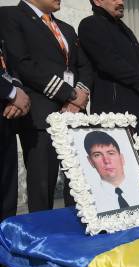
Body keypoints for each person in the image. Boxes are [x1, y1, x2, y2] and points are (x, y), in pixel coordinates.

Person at [1, 0, 92, 212]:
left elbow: (84, 66)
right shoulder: (11, 16)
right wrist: (68, 94)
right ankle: (42, 238)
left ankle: (77, 231)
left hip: (74, 112)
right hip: (41, 114)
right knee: (42, 185)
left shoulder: (66, 28)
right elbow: (21, 64)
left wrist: (79, 95)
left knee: (78, 183)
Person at [79, 0, 139, 137]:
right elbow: (110, 62)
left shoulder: (124, 29)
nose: (121, 2)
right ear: (97, 1)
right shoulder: (91, 24)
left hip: (138, 109)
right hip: (115, 112)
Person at [0, 45, 30, 267]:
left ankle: (2, 263)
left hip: (5, 119)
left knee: (6, 199)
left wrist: (17, 92)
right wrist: (10, 92)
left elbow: (8, 66)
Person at [84, 131, 139, 213]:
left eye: (111, 153)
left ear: (122, 158)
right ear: (90, 161)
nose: (106, 160)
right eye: (97, 155)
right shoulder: (91, 199)